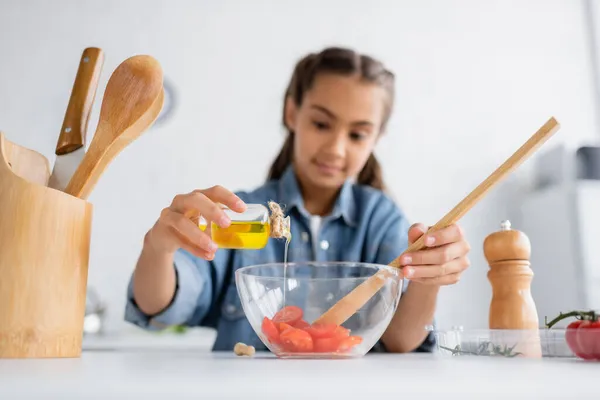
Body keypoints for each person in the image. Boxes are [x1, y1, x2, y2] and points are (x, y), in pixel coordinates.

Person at [124, 46, 471, 353]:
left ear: (377, 137)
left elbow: (401, 341)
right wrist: (159, 249)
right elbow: (159, 306)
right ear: (292, 113)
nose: (336, 149)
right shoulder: (240, 215)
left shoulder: (380, 220)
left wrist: (429, 278)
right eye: (321, 124)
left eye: (357, 134)